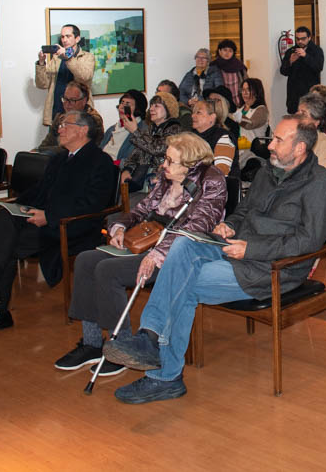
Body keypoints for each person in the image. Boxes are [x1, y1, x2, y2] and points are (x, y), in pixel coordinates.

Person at [102, 117, 326, 404]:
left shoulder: (320, 184)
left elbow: (309, 241)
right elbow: (243, 213)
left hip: (270, 268)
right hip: (234, 247)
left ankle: (165, 374)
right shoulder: (267, 172)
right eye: (272, 138)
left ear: (300, 147)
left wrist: (251, 249)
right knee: (183, 245)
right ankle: (150, 336)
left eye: (278, 140)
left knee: (182, 282)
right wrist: (228, 225)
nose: (270, 145)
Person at [55, 133, 227, 375]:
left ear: (189, 164)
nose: (163, 165)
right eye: (165, 159)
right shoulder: (168, 178)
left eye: (170, 161)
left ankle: (122, 347)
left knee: (107, 270)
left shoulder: (211, 181)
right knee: (85, 260)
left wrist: (157, 254)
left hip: (175, 250)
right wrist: (121, 226)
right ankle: (92, 344)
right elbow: (143, 208)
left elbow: (196, 228)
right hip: (147, 239)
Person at [0, 111, 118, 335]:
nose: (59, 129)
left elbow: (92, 205)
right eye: (60, 125)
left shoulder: (100, 161)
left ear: (83, 130)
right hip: (47, 219)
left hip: (73, 227)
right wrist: (16, 205)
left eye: (65, 125)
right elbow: (40, 191)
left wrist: (50, 217)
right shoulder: (60, 158)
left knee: (7, 245)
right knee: (5, 218)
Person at [120, 92, 183, 192]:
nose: (151, 109)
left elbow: (158, 149)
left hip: (159, 178)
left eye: (157, 106)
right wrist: (127, 169)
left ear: (168, 109)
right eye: (151, 106)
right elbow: (136, 152)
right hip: (141, 177)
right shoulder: (151, 128)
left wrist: (135, 131)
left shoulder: (174, 128)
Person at [35, 23, 95, 126]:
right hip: (57, 112)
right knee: (54, 142)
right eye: (62, 37)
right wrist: (41, 63)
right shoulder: (56, 58)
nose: (64, 40)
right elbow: (43, 84)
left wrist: (67, 57)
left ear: (77, 39)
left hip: (80, 115)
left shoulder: (88, 57)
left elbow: (85, 76)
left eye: (68, 36)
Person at [36, 80, 103, 153]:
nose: (67, 104)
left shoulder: (93, 120)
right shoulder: (60, 117)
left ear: (84, 101)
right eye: (65, 99)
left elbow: (87, 149)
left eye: (72, 100)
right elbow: (44, 146)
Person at [297, 92, 326, 182]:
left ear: (317, 121)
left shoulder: (325, 144)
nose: (297, 115)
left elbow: (321, 179)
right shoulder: (295, 136)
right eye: (298, 111)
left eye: (303, 113)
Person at [279, 26, 324, 114]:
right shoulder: (291, 51)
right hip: (294, 96)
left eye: (303, 39)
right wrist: (290, 62)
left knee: (310, 120)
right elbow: (283, 71)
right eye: (297, 39)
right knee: (294, 122)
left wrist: (306, 56)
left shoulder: (316, 50)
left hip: (310, 94)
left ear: (309, 38)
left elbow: (318, 67)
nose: (300, 41)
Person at [98, 89, 148, 166]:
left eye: (127, 104)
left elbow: (135, 160)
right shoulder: (112, 128)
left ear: (137, 109)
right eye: (122, 103)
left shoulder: (142, 130)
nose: (122, 107)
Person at [190, 98, 236, 177]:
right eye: (193, 112)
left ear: (212, 117)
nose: (193, 116)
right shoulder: (191, 136)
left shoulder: (223, 138)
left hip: (216, 186)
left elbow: (221, 172)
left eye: (198, 113)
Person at [233, 77, 269, 170]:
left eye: (248, 90)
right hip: (240, 149)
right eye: (243, 90)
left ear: (256, 92)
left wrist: (233, 114)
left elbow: (250, 124)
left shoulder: (261, 110)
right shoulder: (240, 109)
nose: (244, 93)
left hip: (254, 152)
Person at [211, 39, 247, 104]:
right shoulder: (213, 66)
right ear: (219, 51)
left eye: (230, 51)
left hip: (238, 103)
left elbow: (246, 84)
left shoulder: (239, 66)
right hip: (220, 104)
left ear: (233, 53)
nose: (227, 53)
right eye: (225, 50)